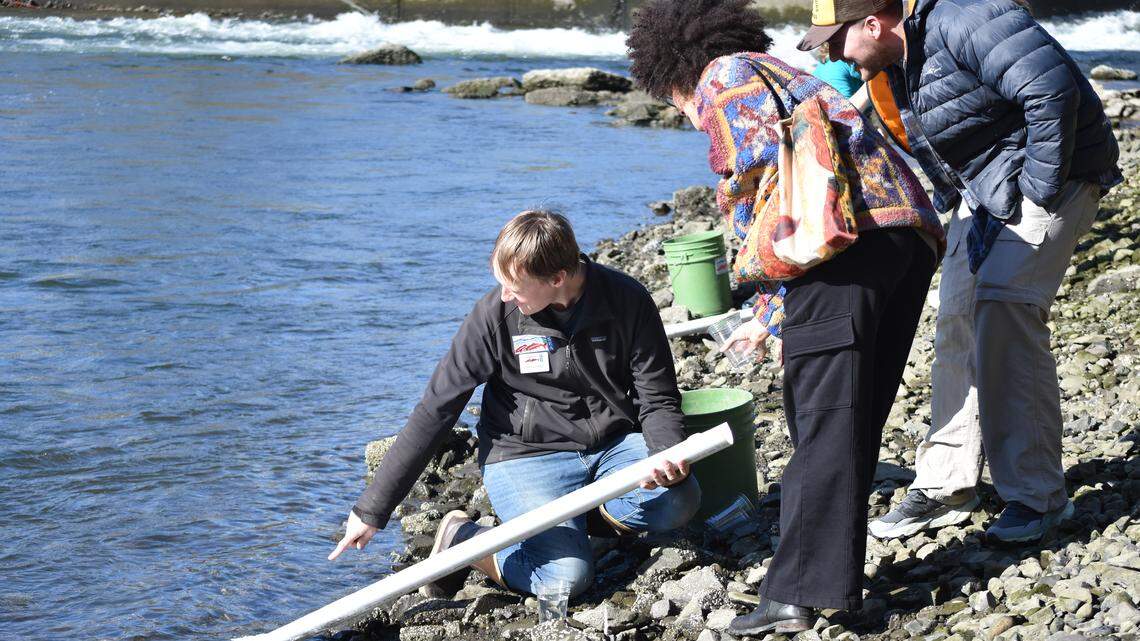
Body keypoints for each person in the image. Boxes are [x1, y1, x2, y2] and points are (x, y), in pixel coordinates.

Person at [626, 0, 945, 633]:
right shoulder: (778, 68)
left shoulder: (723, 77)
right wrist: (775, 313)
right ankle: (834, 583)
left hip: (845, 252)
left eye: (675, 106)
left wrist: (767, 303)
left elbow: (765, 187)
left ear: (673, 76)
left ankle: (795, 595)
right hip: (903, 241)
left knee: (822, 423)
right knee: (851, 421)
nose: (688, 121)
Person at [797, 0, 1122, 544]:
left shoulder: (966, 18)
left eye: (835, 41)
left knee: (1004, 306)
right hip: (986, 185)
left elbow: (1053, 91)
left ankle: (1038, 497)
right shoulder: (889, 60)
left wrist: (1036, 192)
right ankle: (946, 483)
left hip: (1059, 172)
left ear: (872, 24)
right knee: (955, 318)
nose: (832, 53)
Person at [327, 210, 701, 600]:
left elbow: (658, 396)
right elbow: (436, 409)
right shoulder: (494, 316)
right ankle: (465, 541)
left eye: (515, 287)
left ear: (557, 279)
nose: (505, 295)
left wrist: (667, 454)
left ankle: (571, 525)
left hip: (612, 446)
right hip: (527, 455)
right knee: (564, 580)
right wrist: (373, 510)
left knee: (678, 499)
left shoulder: (626, 300)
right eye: (501, 282)